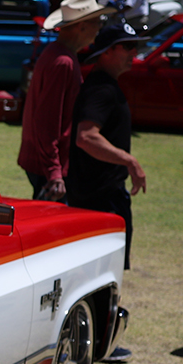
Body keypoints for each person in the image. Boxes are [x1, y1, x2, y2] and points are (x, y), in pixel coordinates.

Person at [67, 21, 148, 284]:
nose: (133, 52)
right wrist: (129, 161)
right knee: (99, 279)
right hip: (100, 201)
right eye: (126, 46)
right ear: (106, 52)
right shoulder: (101, 89)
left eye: (135, 45)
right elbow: (86, 137)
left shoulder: (104, 85)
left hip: (102, 198)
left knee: (101, 277)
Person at [17, 0, 112, 201]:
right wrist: (54, 172)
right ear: (81, 26)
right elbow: (46, 121)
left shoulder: (60, 55)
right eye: (97, 22)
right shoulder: (63, 62)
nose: (99, 29)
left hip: (47, 163)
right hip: (49, 167)